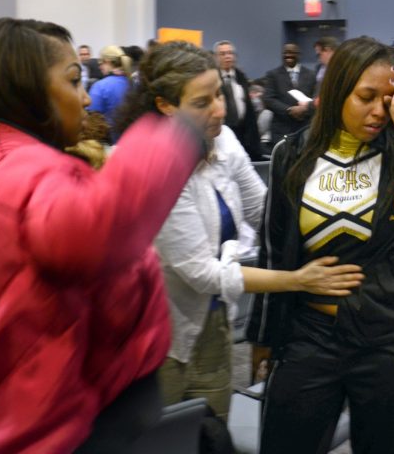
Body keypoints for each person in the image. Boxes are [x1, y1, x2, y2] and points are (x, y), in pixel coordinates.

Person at [0, 18, 218, 453]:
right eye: (75, 81)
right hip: (53, 417)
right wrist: (165, 141)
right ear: (26, 91)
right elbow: (90, 234)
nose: (85, 98)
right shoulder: (30, 171)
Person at [248, 36, 394, 453]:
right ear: (339, 90)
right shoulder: (293, 153)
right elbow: (274, 249)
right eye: (366, 97)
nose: (379, 110)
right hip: (308, 338)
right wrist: (264, 338)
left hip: (386, 340)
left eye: (389, 97)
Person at [114, 41, 363, 421]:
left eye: (218, 94)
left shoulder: (223, 140)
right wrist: (297, 279)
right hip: (157, 332)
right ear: (165, 105)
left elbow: (265, 211)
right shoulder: (151, 167)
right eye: (202, 103)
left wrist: (332, 224)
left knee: (211, 434)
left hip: (213, 321)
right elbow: (201, 273)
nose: (220, 109)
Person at [213, 40, 262, 160]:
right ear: (216, 57)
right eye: (223, 54)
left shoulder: (241, 77)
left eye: (230, 53)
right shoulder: (212, 78)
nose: (227, 56)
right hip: (221, 133)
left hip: (243, 134)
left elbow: (248, 108)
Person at [263, 43, 317, 143]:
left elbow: (315, 97)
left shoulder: (311, 74)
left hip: (305, 127)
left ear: (299, 54)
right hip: (281, 128)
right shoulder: (273, 75)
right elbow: (268, 99)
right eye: (285, 53)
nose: (288, 55)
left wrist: (304, 109)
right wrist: (289, 110)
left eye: (292, 52)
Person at [87, 45, 132, 133]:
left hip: (109, 142)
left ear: (107, 61)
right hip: (131, 140)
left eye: (100, 63)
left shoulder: (100, 86)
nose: (99, 67)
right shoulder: (133, 84)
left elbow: (93, 121)